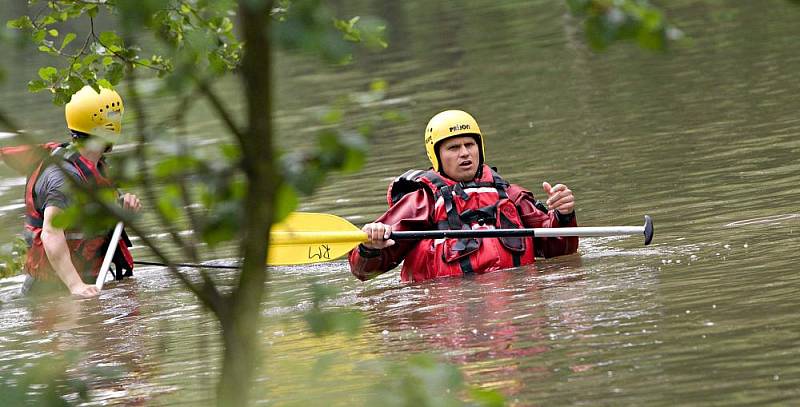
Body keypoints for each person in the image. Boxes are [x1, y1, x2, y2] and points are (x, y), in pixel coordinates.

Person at [348, 110, 579, 282]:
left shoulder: (510, 195)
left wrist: (564, 215)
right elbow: (363, 271)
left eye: (469, 144)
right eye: (453, 148)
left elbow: (560, 250)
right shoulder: (421, 202)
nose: (465, 153)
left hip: (513, 309)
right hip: (450, 314)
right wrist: (370, 246)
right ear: (436, 156)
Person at [18, 85, 140, 298]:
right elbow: (51, 233)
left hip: (87, 279)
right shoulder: (63, 177)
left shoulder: (94, 166)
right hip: (52, 292)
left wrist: (122, 206)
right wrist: (76, 286)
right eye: (114, 115)